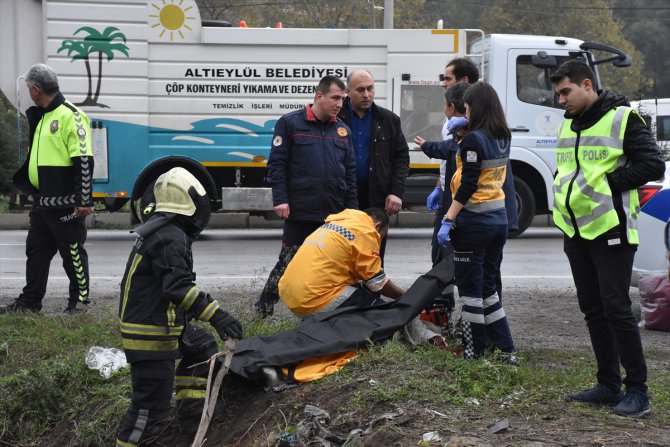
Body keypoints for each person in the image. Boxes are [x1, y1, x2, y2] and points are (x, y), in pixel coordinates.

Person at [550, 59, 664, 417]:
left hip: (610, 228)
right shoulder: (568, 125)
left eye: (566, 92)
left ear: (587, 85)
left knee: (617, 309)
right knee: (593, 309)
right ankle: (608, 385)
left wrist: (606, 186)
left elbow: (653, 165)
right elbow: (567, 170)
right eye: (557, 94)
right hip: (576, 229)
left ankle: (638, 391)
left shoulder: (622, 118)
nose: (561, 101)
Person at [115, 167, 244, 446]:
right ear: (191, 203)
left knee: (200, 347)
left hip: (157, 322)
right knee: (149, 410)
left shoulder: (163, 230)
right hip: (150, 334)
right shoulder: (169, 237)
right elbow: (178, 288)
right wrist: (218, 316)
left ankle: (192, 422)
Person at [254, 76, 358, 318]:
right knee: (287, 263)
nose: (339, 104)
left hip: (333, 215)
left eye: (342, 99)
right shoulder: (290, 124)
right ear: (319, 96)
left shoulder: (343, 130)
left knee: (330, 268)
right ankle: (262, 312)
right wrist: (281, 199)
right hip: (301, 211)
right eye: (335, 98)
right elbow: (277, 165)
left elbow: (350, 173)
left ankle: (320, 316)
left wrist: (352, 213)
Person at [1, 63, 94, 315]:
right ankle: (30, 303)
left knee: (72, 253)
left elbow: (83, 160)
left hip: (66, 203)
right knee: (36, 252)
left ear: (35, 89)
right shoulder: (42, 116)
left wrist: (83, 199)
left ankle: (80, 304)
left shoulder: (71, 115)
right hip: (42, 203)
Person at [438, 82, 516, 362]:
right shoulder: (502, 135)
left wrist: (448, 218)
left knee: (470, 291)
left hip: (474, 223)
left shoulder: (473, 140)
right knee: (489, 290)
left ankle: (473, 350)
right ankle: (506, 350)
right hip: (498, 221)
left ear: (475, 108)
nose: (464, 112)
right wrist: (462, 133)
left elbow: (469, 183)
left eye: (467, 107)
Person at [337, 69, 410, 259]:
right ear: (348, 91)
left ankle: (372, 289)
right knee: (343, 252)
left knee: (374, 255)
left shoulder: (388, 120)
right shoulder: (335, 119)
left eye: (370, 88)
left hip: (376, 197)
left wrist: (396, 192)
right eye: (360, 90)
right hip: (341, 197)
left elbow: (401, 157)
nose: (367, 94)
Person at [279, 208, 404, 316]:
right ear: (377, 226)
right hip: (314, 299)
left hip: (290, 295)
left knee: (359, 292)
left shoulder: (335, 224)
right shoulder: (366, 231)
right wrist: (404, 295)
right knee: (384, 311)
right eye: (381, 236)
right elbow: (377, 282)